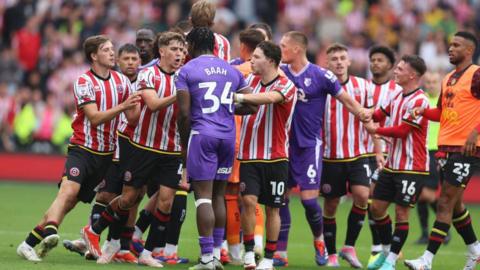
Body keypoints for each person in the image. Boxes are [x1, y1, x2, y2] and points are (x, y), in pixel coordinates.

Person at [17, 35, 140, 262]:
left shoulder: (122, 82)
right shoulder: (83, 82)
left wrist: (136, 104)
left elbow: (131, 119)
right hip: (83, 148)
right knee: (68, 191)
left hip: (106, 154)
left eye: (112, 49)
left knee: (71, 201)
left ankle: (28, 243)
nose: (112, 53)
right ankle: (52, 230)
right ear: (94, 55)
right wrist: (123, 106)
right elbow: (93, 118)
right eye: (106, 50)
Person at [82, 32, 185, 267]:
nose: (179, 54)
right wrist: (179, 93)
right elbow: (153, 104)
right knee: (129, 198)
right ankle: (95, 231)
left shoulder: (185, 75)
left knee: (167, 201)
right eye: (174, 49)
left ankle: (148, 253)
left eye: (182, 50)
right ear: (162, 51)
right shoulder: (148, 74)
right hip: (142, 147)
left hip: (171, 148)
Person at [275, 31, 371, 267]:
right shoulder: (280, 73)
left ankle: (319, 240)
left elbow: (347, 100)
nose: (280, 49)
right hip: (282, 146)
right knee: (281, 199)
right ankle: (280, 252)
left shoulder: (321, 76)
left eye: (283, 45)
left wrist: (363, 114)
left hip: (309, 147)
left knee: (309, 202)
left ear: (297, 49)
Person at [176, 27, 254, 270]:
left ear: (192, 45)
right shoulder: (231, 71)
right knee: (219, 196)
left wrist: (184, 143)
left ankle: (207, 257)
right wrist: (228, 110)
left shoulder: (186, 71)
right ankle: (218, 255)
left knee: (203, 198)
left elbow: (185, 113)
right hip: (228, 137)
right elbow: (251, 105)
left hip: (203, 135)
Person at [405, 31, 480, 270]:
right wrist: (422, 112)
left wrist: (475, 132)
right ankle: (476, 250)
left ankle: (426, 260)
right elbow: (441, 113)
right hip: (445, 148)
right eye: (450, 44)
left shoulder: (476, 74)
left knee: (445, 202)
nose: (451, 48)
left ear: (469, 51)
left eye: (456, 45)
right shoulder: (448, 78)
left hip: (466, 149)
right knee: (455, 206)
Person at [62, 43, 142, 264]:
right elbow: (95, 116)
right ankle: (98, 240)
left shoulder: (138, 82)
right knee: (107, 195)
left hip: (134, 148)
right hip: (109, 146)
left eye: (134, 59)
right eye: (125, 59)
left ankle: (117, 244)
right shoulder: (110, 81)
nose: (130, 63)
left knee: (133, 196)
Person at [234, 41, 297, 270]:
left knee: (273, 208)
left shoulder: (287, 85)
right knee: (248, 201)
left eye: (257, 56)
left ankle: (269, 258)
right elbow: (243, 107)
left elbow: (270, 98)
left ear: (270, 61)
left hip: (276, 157)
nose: (251, 60)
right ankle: (250, 252)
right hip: (250, 155)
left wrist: (238, 98)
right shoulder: (249, 81)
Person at [365, 54, 430, 270]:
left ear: (412, 75)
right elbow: (377, 114)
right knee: (376, 209)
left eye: (400, 69)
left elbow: (402, 132)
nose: (395, 71)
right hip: (392, 165)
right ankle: (386, 251)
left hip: (412, 168)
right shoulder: (396, 96)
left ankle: (391, 261)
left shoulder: (420, 101)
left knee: (401, 213)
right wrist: (359, 112)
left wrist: (377, 130)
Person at [321, 43, 379, 268]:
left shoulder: (363, 87)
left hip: (358, 154)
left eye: (342, 57)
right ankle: (332, 253)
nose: (338, 61)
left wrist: (378, 151)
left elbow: (371, 121)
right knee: (332, 205)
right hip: (330, 156)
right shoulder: (321, 89)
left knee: (363, 196)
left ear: (349, 61)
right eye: (333, 58)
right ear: (327, 63)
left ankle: (349, 247)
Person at [225, 28, 267, 265]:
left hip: (235, 139)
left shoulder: (234, 72)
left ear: (243, 47)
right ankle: (258, 244)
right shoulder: (272, 74)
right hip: (262, 145)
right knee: (253, 197)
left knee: (231, 195)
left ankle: (233, 252)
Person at [366, 45, 401, 262]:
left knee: (382, 200)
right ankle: (378, 246)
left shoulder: (397, 90)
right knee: (370, 199)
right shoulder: (362, 87)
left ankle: (386, 247)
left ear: (389, 65)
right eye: (373, 59)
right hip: (363, 151)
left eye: (380, 60)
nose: (375, 63)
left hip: (388, 152)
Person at [414, 71, 450, 245]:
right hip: (424, 152)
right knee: (421, 194)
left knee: (440, 196)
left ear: (440, 83)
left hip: (441, 152)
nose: (430, 85)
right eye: (427, 82)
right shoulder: (421, 101)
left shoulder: (445, 103)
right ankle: (425, 233)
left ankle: (443, 230)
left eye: (434, 81)